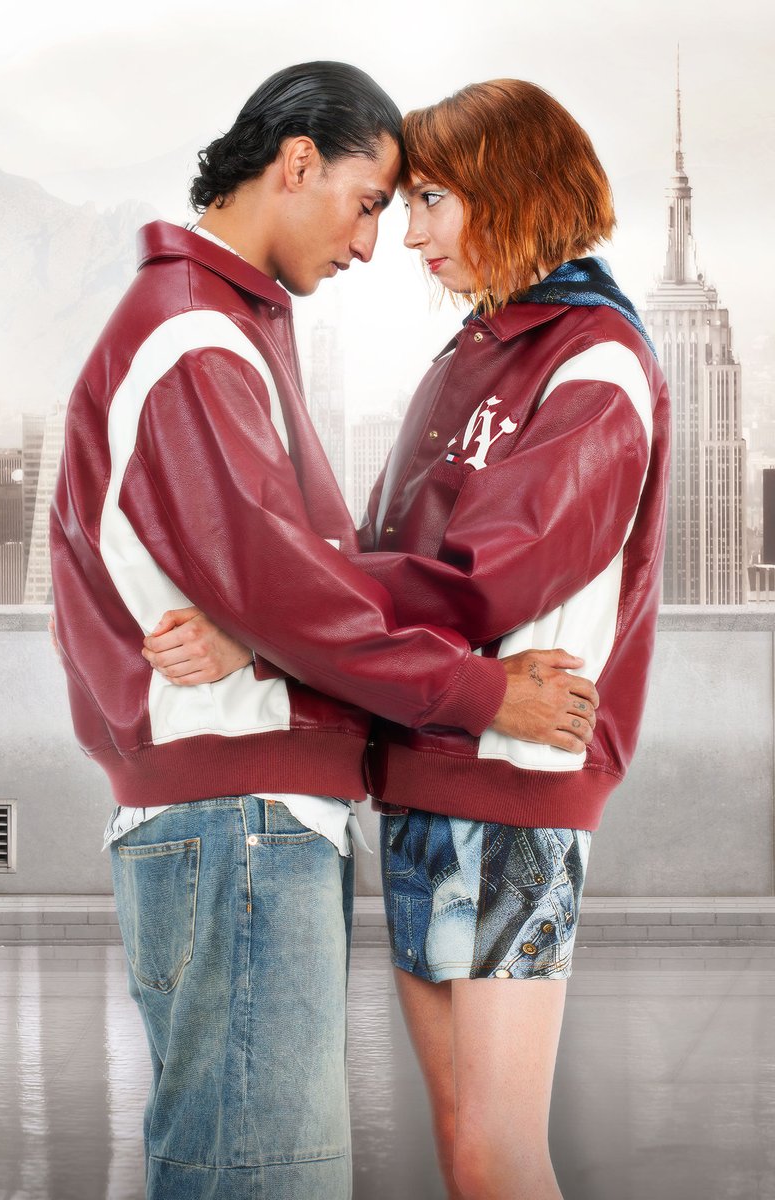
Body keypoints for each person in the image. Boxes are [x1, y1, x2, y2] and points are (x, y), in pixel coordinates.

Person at [49, 63, 598, 1200]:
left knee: (237, 1165)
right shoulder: (194, 338)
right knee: (263, 1178)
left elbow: (292, 584)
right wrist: (488, 695)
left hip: (233, 812)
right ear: (297, 163)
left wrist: (259, 633)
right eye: (367, 202)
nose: (371, 244)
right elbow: (301, 597)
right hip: (237, 816)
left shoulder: (225, 324)